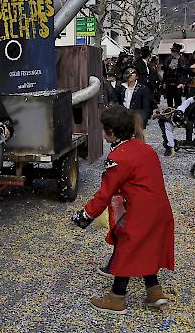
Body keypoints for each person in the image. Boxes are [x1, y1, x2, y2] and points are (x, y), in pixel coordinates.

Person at [71, 105, 174, 314]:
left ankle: (116, 298)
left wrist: (84, 215)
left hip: (139, 212)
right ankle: (154, 292)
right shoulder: (146, 148)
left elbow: (104, 193)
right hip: (160, 209)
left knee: (126, 249)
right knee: (144, 248)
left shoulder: (118, 157)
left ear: (110, 132)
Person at [162, 43, 188, 108]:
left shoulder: (183, 60)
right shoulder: (168, 59)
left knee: (178, 102)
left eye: (173, 51)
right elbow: (165, 72)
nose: (172, 52)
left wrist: (182, 83)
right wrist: (164, 82)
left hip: (178, 84)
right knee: (169, 101)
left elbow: (184, 73)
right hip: (169, 84)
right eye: (171, 51)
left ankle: (177, 115)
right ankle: (169, 115)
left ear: (177, 52)